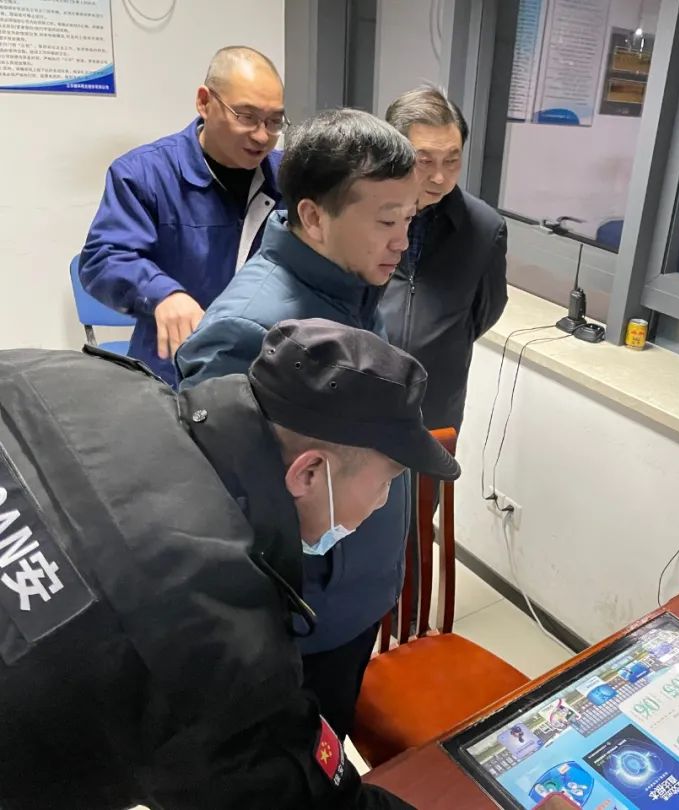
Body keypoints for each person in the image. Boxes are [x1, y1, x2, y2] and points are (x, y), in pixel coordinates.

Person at [0, 318, 459, 809]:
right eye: (386, 482)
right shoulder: (216, 629)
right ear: (309, 472)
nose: (383, 501)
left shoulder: (78, 376)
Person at [175, 107, 419, 739]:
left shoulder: (355, 287)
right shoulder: (250, 328)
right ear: (313, 216)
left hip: (355, 594)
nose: (402, 241)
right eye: (386, 221)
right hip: (304, 622)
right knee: (298, 763)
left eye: (409, 219)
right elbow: (218, 511)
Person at [79, 46, 287, 386]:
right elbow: (103, 258)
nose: (263, 135)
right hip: (171, 370)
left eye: (274, 121)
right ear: (204, 102)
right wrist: (163, 294)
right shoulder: (144, 174)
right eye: (246, 116)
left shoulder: (288, 179)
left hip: (260, 371)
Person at [381, 85, 508, 434]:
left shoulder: (484, 229)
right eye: (424, 161)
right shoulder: (361, 213)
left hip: (435, 411)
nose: (440, 177)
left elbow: (483, 313)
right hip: (356, 399)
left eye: (452, 160)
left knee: (430, 474)